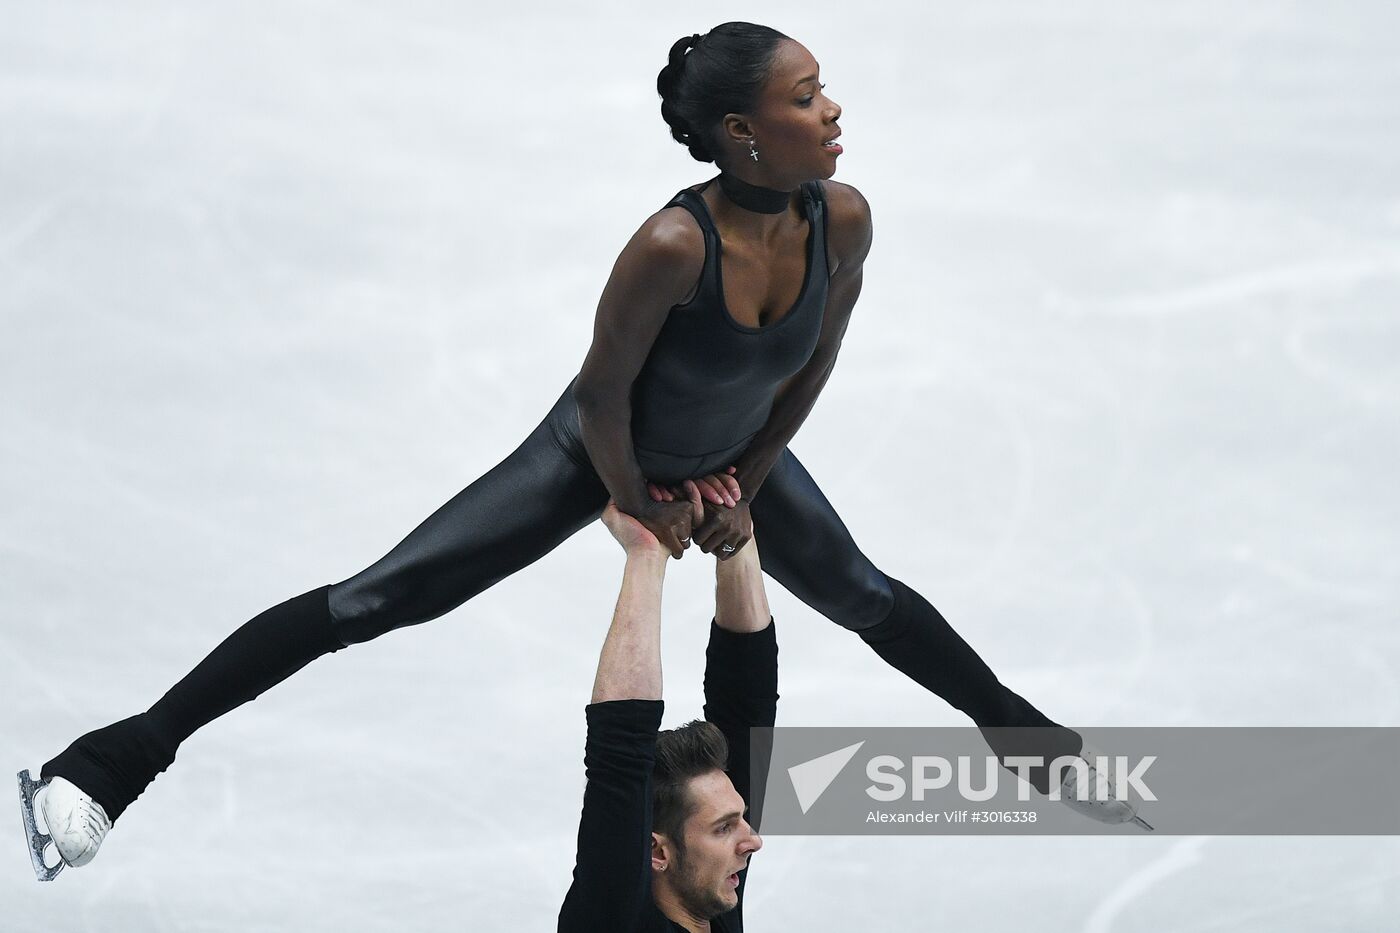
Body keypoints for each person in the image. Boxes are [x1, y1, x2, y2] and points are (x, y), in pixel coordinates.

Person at [22, 20, 1115, 880]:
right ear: (741, 133)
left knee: (864, 596)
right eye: (802, 96)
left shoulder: (845, 219)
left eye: (821, 85)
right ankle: (111, 764)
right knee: (377, 600)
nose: (831, 108)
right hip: (598, 452)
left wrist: (752, 484)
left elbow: (808, 367)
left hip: (736, 455)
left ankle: (1022, 736)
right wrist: (638, 499)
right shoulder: (670, 243)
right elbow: (599, 395)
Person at [558, 497, 775, 932]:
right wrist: (645, 554)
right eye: (724, 828)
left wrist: (734, 541)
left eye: (739, 819)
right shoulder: (610, 922)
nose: (752, 841)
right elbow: (617, 750)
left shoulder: (706, 896)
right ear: (657, 853)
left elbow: (747, 708)